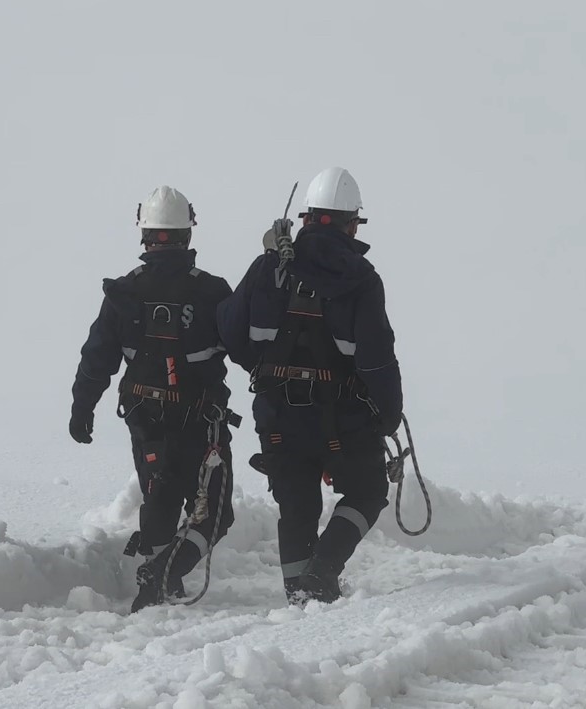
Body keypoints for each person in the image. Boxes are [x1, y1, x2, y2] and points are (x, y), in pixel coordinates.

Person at [217, 167, 403, 604]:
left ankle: (299, 593)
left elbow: (229, 329)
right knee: (368, 490)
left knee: (296, 505)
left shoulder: (268, 267)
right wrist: (389, 414)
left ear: (305, 218)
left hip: (277, 414)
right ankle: (321, 573)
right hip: (342, 417)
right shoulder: (361, 279)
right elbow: (376, 359)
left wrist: (265, 372)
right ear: (351, 223)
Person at [69, 185, 237, 612]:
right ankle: (163, 578)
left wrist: (82, 407)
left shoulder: (124, 293)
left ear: (144, 232)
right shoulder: (214, 293)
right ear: (188, 232)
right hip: (201, 421)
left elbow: (97, 357)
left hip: (145, 417)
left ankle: (159, 583)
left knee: (159, 498)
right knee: (215, 512)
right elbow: (250, 348)